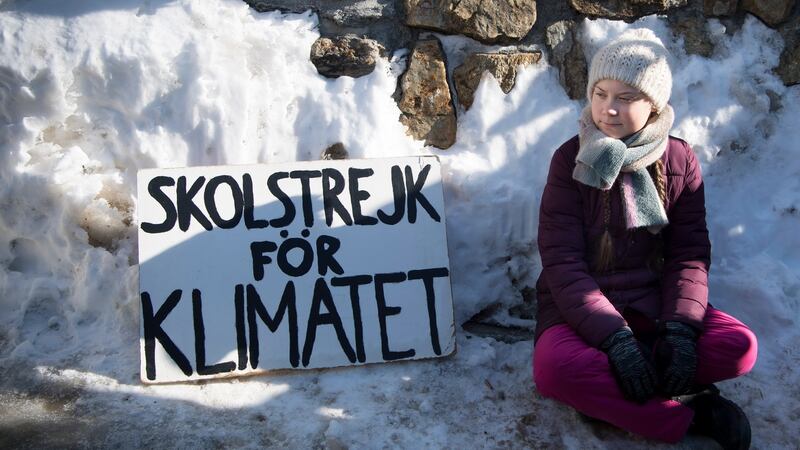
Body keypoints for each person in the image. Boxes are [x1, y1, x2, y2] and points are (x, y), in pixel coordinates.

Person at [531, 28, 758, 449]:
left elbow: (688, 255)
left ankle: (619, 391)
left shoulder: (679, 159)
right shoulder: (570, 160)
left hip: (656, 305)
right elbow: (562, 263)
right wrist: (614, 339)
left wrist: (681, 330)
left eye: (626, 98)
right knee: (554, 372)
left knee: (739, 346)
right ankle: (687, 415)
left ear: (653, 105)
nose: (608, 110)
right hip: (581, 313)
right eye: (600, 93)